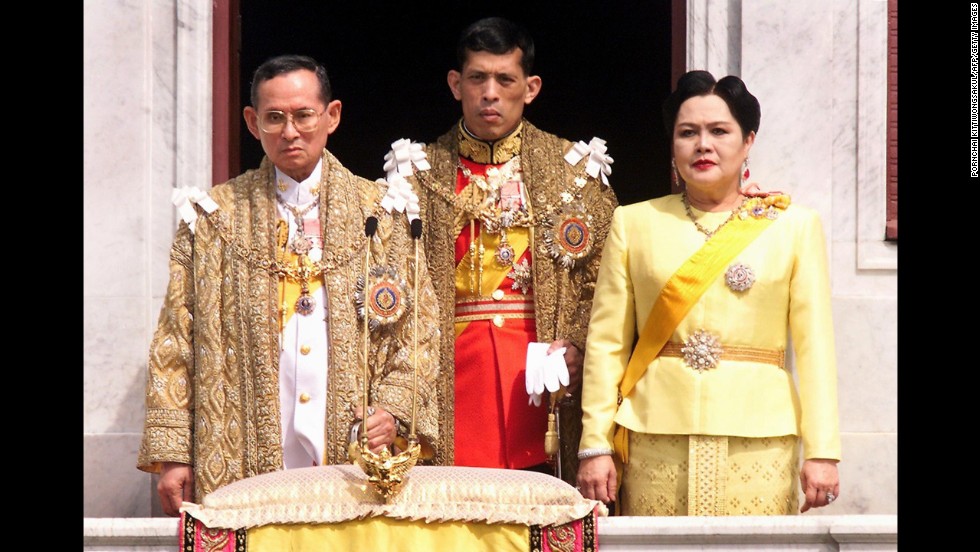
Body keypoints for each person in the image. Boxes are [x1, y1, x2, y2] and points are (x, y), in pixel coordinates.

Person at [137, 54, 442, 516]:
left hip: (354, 444)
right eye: (274, 118)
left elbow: (419, 331)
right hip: (242, 440)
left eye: (303, 115)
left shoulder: (383, 212)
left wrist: (394, 412)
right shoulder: (213, 218)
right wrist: (174, 453)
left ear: (332, 116)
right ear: (252, 122)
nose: (290, 131)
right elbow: (176, 339)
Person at [575, 70, 841, 515]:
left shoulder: (793, 226)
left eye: (719, 131)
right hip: (654, 436)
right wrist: (594, 444)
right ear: (672, 144)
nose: (703, 144)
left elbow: (816, 348)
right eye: (687, 133)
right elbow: (607, 345)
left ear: (748, 141)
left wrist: (823, 450)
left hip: (759, 438)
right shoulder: (634, 223)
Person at [383, 17, 619, 482]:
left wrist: (576, 344)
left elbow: (609, 281)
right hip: (449, 379)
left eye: (505, 80)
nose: (490, 92)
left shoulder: (576, 173)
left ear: (530, 88)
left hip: (541, 381)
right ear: (456, 84)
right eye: (477, 78)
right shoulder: (415, 175)